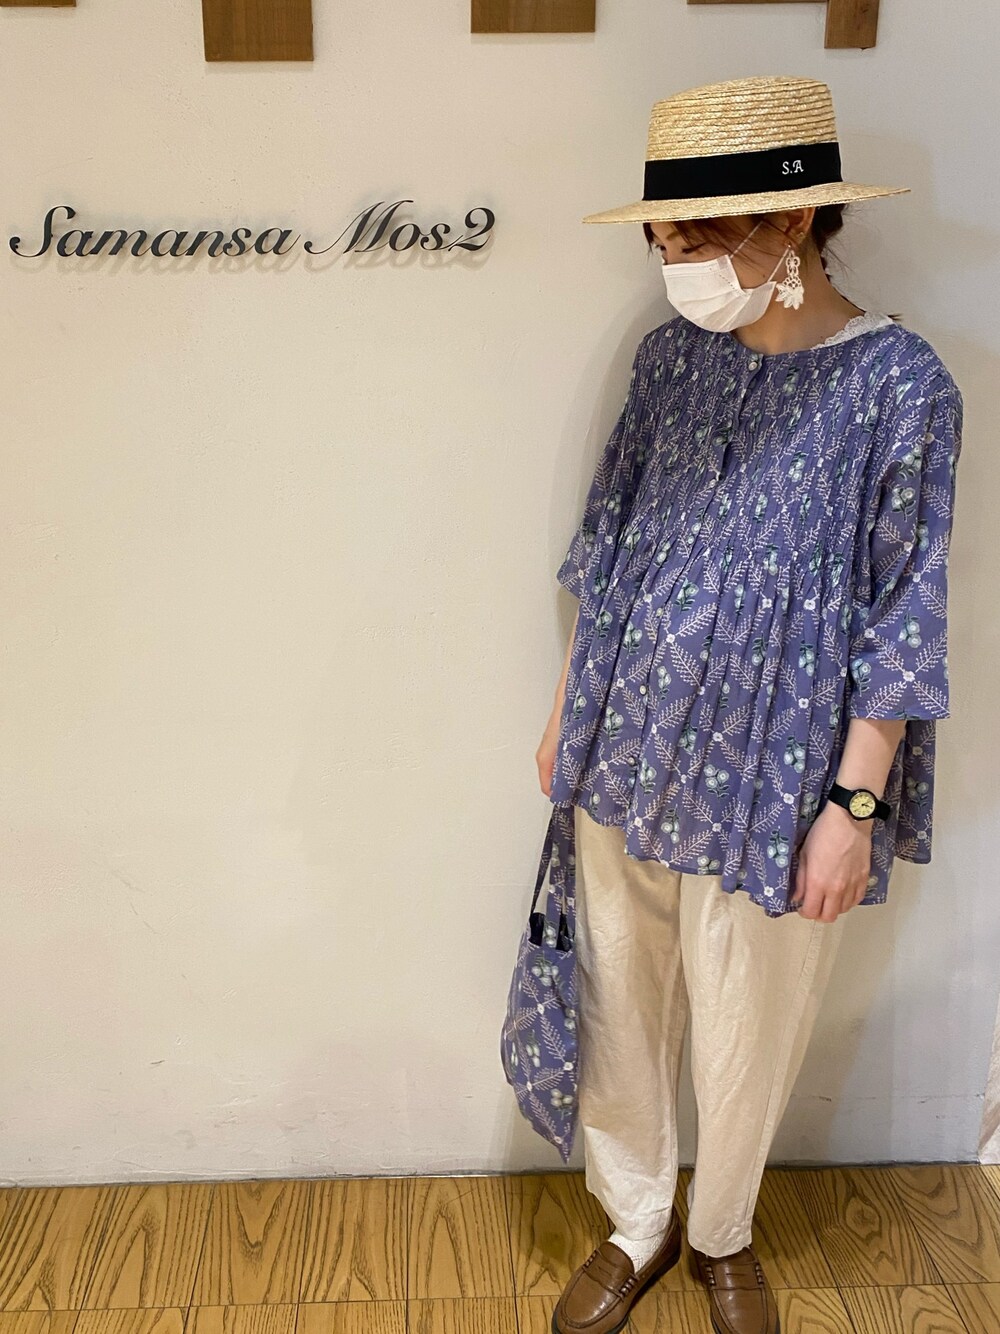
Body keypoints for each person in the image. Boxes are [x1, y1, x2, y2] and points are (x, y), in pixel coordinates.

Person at [536, 75, 965, 1334]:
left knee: (749, 1019)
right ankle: (636, 1219)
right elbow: (606, 545)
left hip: (780, 772)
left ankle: (721, 1227)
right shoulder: (670, 359)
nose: (675, 263)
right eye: (664, 239)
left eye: (697, 236)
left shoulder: (900, 386)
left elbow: (904, 609)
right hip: (624, 740)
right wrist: (566, 713)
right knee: (619, 992)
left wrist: (852, 805)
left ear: (791, 225)